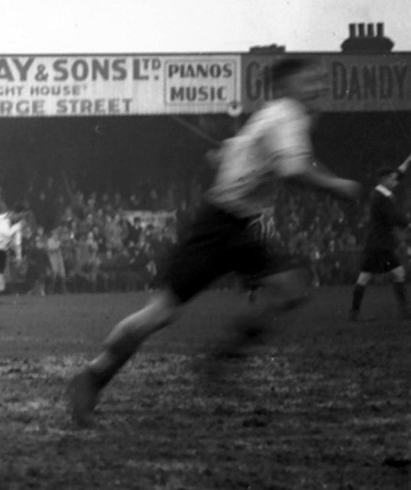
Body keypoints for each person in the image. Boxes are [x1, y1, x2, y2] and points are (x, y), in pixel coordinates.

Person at [65, 57, 361, 428]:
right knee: (161, 314)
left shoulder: (273, 115)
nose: (318, 86)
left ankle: (222, 359)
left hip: (243, 224)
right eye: (309, 80)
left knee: (290, 289)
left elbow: (244, 154)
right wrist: (339, 186)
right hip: (219, 225)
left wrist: (229, 154)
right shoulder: (287, 115)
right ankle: (92, 378)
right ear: (286, 85)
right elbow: (293, 170)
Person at [349, 164, 410, 321]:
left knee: (365, 278)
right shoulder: (380, 197)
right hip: (381, 245)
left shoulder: (380, 193)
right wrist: (407, 223)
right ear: (383, 179)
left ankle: (354, 313)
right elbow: (392, 217)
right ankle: (404, 311)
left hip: (375, 244)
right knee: (398, 273)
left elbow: (398, 173)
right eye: (390, 178)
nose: (393, 180)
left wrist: (408, 161)